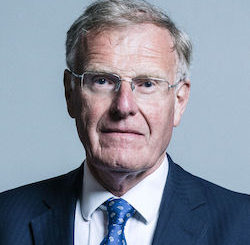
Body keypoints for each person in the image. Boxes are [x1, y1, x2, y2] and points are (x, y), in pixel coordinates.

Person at [0, 0, 250, 244]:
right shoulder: (6, 219)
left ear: (179, 100)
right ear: (70, 93)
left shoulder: (243, 225)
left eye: (148, 84)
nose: (124, 106)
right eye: (102, 81)